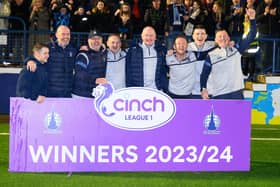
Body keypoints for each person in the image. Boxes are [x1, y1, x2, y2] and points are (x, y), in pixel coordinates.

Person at [200, 8, 257, 100]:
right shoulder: (210, 55)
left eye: (225, 36)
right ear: (215, 40)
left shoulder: (236, 49)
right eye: (219, 36)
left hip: (236, 93)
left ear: (229, 38)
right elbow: (204, 74)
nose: (222, 38)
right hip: (219, 94)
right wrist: (203, 88)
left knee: (238, 115)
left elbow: (251, 35)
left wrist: (252, 19)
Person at [126, 26, 168, 92]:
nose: (149, 38)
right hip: (139, 90)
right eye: (146, 35)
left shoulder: (162, 50)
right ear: (142, 36)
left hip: (158, 90)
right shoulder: (132, 51)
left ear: (155, 37)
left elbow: (167, 67)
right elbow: (128, 71)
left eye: (151, 35)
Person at [72, 30, 107, 98]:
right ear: (88, 41)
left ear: (102, 40)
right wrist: (95, 80)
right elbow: (80, 74)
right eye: (93, 39)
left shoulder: (103, 53)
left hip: (95, 94)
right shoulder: (83, 55)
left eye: (98, 38)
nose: (96, 41)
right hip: (81, 95)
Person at [47, 25, 77, 97]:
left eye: (68, 34)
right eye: (63, 34)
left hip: (67, 92)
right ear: (57, 35)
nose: (66, 37)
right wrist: (30, 61)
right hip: (51, 92)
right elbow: (36, 57)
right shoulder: (48, 47)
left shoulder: (73, 49)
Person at [187, 25, 216, 98]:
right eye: (197, 34)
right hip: (191, 90)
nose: (200, 36)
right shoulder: (185, 48)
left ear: (206, 36)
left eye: (202, 34)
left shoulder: (214, 48)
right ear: (193, 36)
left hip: (209, 89)